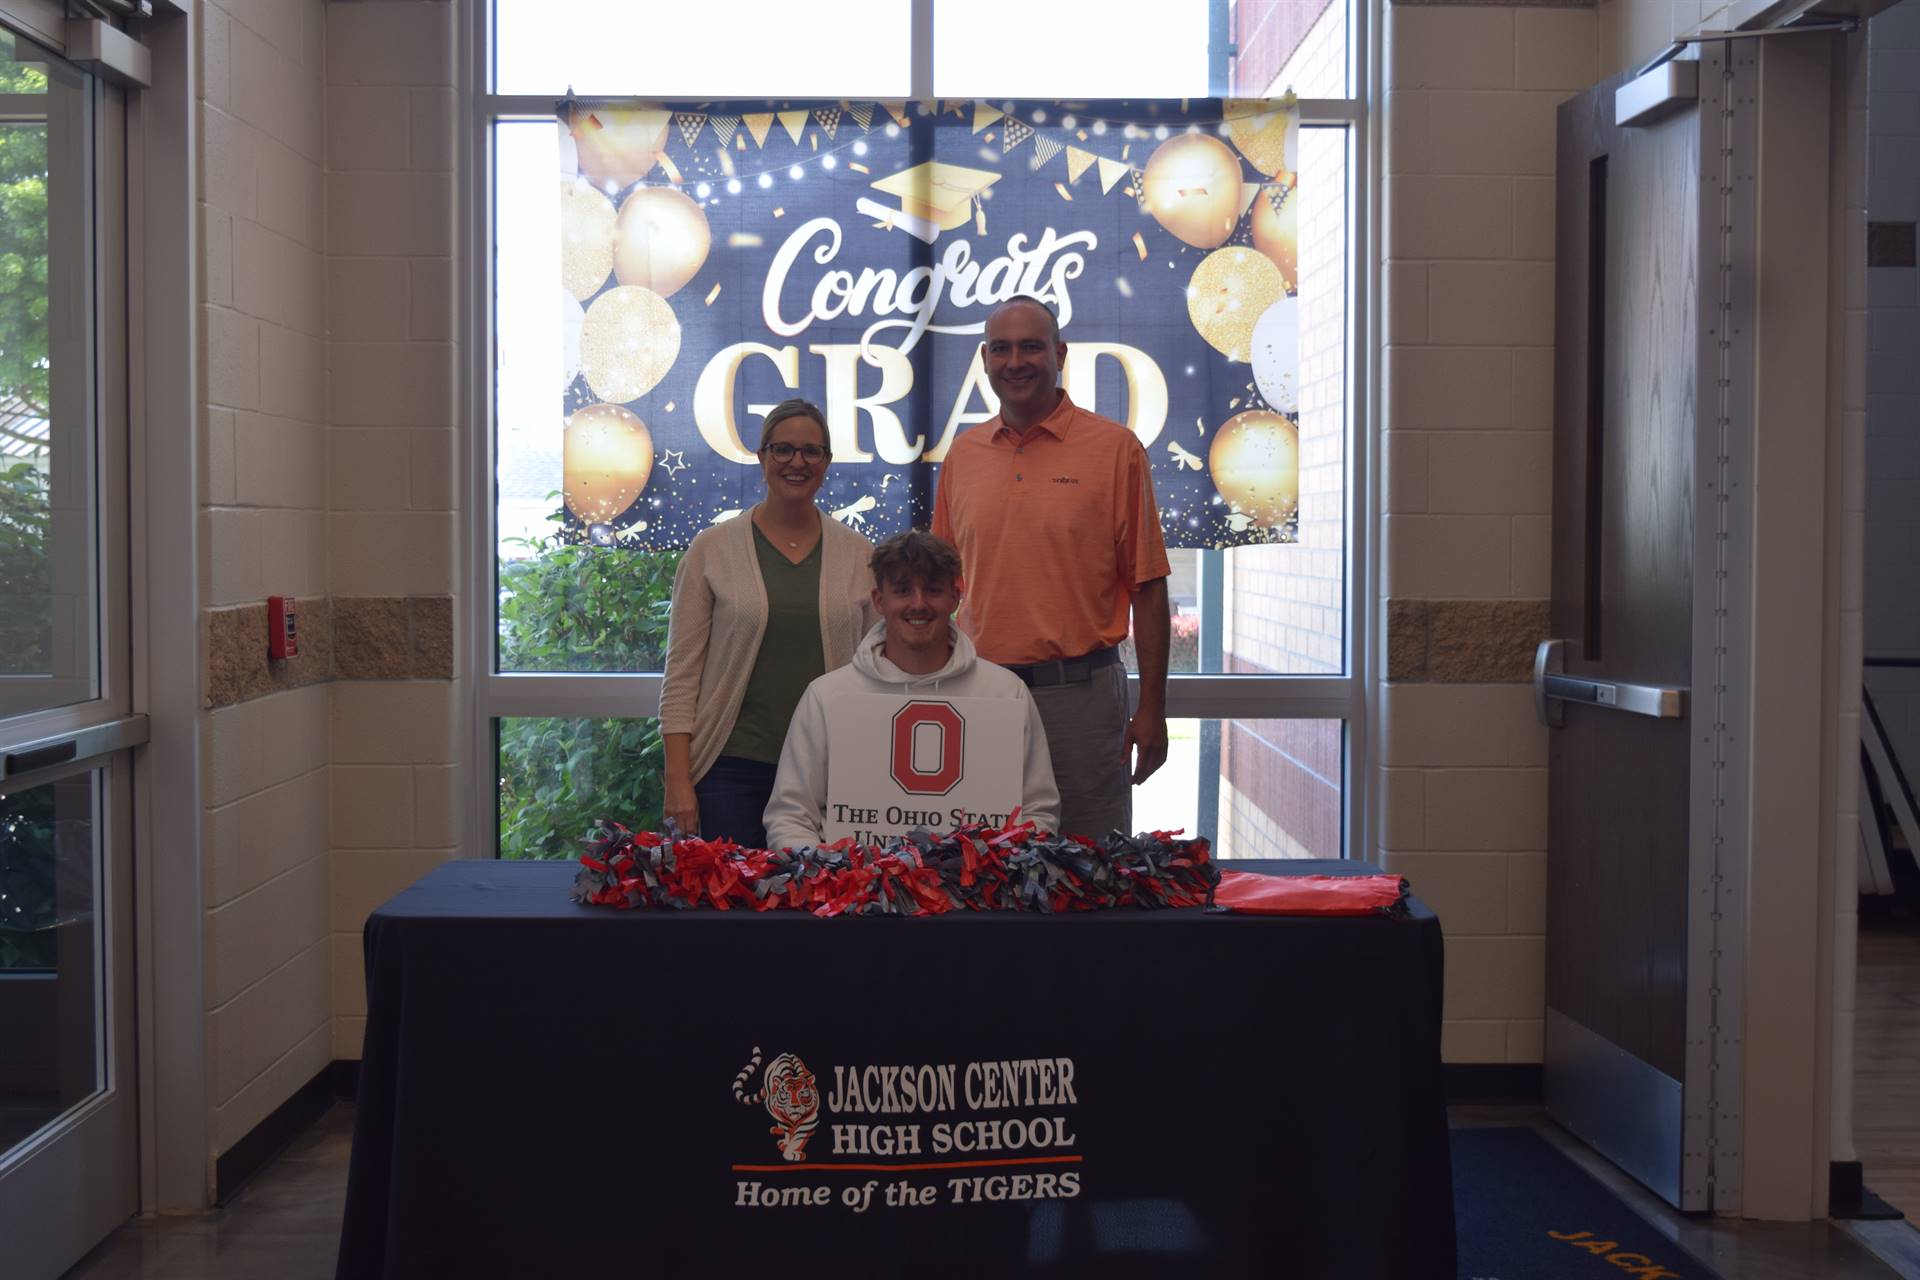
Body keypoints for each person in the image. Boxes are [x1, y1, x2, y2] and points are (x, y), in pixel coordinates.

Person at [931, 295, 1171, 838]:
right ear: (985, 358)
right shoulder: (963, 457)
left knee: (1089, 871)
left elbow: (1149, 588)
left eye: (1031, 347)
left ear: (1059, 353)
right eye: (1002, 349)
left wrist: (1153, 708)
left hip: (1080, 703)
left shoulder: (1116, 449)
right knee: (981, 867)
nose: (1016, 361)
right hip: (978, 695)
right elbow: (942, 589)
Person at [660, 398, 876, 846]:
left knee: (822, 909)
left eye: (811, 451)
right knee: (736, 912)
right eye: (783, 449)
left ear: (827, 462)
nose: (797, 462)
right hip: (730, 770)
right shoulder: (711, 550)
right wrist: (677, 781)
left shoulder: (860, 555)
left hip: (832, 770)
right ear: (762, 458)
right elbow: (681, 677)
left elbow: (878, 672)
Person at [763, 530, 1060, 850]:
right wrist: (835, 879)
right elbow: (790, 817)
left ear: (955, 597)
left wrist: (992, 881)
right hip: (856, 894)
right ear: (879, 600)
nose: (918, 604)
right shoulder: (826, 697)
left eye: (932, 590)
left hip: (975, 897)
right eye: (903, 590)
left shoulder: (1006, 693)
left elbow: (1038, 813)